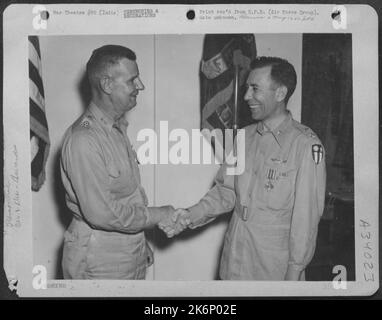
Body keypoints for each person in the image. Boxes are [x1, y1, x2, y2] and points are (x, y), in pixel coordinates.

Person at [162, 56, 326, 281]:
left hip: (274, 267)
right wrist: (190, 215)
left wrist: (294, 274)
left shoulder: (305, 145)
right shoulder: (244, 138)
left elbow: (305, 220)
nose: (247, 96)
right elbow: (227, 192)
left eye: (255, 89)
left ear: (280, 93)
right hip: (235, 255)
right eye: (247, 88)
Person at [60, 45, 178, 279]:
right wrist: (158, 215)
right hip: (97, 257)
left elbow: (125, 194)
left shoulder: (115, 128)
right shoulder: (84, 138)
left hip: (125, 248)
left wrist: (138, 241)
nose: (140, 86)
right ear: (107, 85)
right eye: (133, 80)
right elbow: (101, 213)